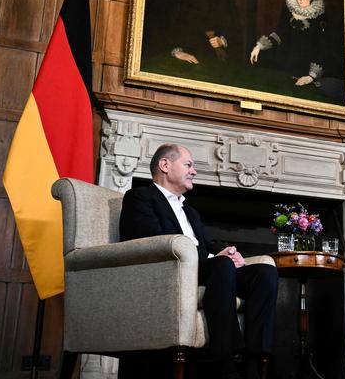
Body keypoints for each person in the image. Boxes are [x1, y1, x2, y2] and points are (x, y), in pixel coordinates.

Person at [119, 144, 277, 379]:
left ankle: (254, 364)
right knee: (221, 265)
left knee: (263, 272)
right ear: (165, 165)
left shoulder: (190, 211)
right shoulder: (140, 197)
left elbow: (206, 244)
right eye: (188, 165)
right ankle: (223, 363)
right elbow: (151, 238)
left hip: (203, 267)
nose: (194, 171)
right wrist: (216, 258)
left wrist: (229, 252)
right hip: (171, 269)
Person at [248, 0, 344, 97]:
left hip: (307, 69)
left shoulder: (320, 19)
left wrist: (311, 76)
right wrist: (259, 46)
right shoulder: (290, 12)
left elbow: (322, 49)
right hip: (288, 64)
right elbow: (280, 34)